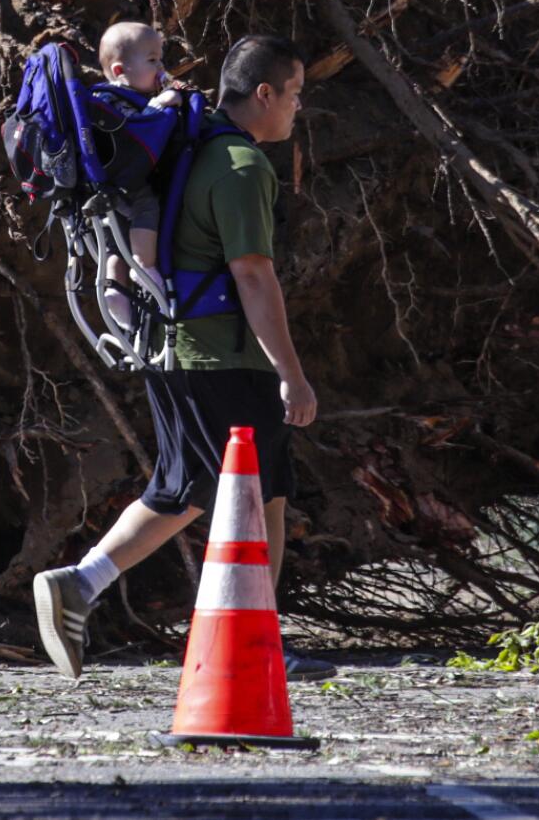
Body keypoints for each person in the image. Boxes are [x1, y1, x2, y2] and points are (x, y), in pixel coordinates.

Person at [33, 34, 334, 681]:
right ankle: (240, 644)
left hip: (174, 348)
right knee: (226, 491)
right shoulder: (240, 166)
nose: (298, 108)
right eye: (296, 94)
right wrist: (293, 375)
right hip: (219, 356)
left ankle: (91, 590)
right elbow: (253, 276)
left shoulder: (189, 154)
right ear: (265, 94)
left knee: (227, 489)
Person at [93, 21, 181, 331]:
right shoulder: (114, 102)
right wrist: (160, 105)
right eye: (153, 60)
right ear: (119, 71)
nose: (161, 67)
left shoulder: (103, 99)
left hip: (108, 187)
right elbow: (135, 134)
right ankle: (145, 266)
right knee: (148, 207)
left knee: (116, 243)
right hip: (127, 183)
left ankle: (114, 291)